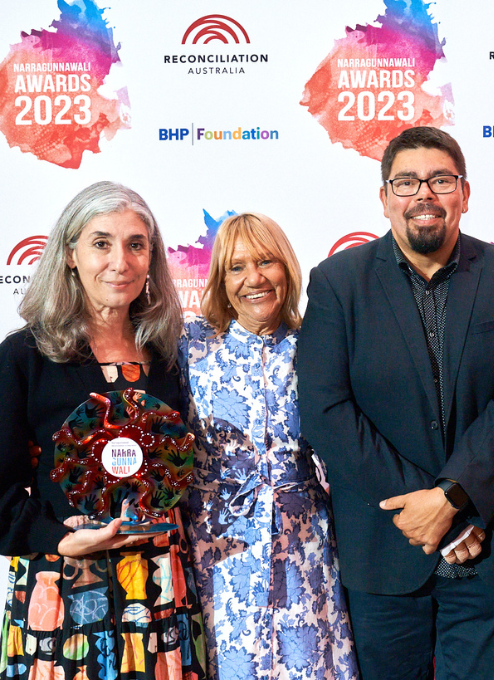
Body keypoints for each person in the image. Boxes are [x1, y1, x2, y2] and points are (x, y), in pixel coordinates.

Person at [297, 126, 494, 679]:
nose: (424, 194)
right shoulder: (339, 282)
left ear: (464, 192)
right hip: (385, 556)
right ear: (385, 197)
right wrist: (429, 509)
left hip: (487, 554)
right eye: (406, 182)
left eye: (440, 179)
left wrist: (455, 498)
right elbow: (326, 410)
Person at [0, 182, 207, 680]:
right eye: (101, 243)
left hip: (159, 579)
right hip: (64, 578)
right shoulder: (26, 355)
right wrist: (55, 538)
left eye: (136, 244)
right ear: (70, 254)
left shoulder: (169, 354)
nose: (121, 261)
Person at [178, 213, 358, 680]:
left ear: (287, 269)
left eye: (265, 262)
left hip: (305, 548)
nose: (253, 278)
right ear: (220, 279)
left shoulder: (318, 343)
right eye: (236, 267)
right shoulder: (189, 347)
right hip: (219, 551)